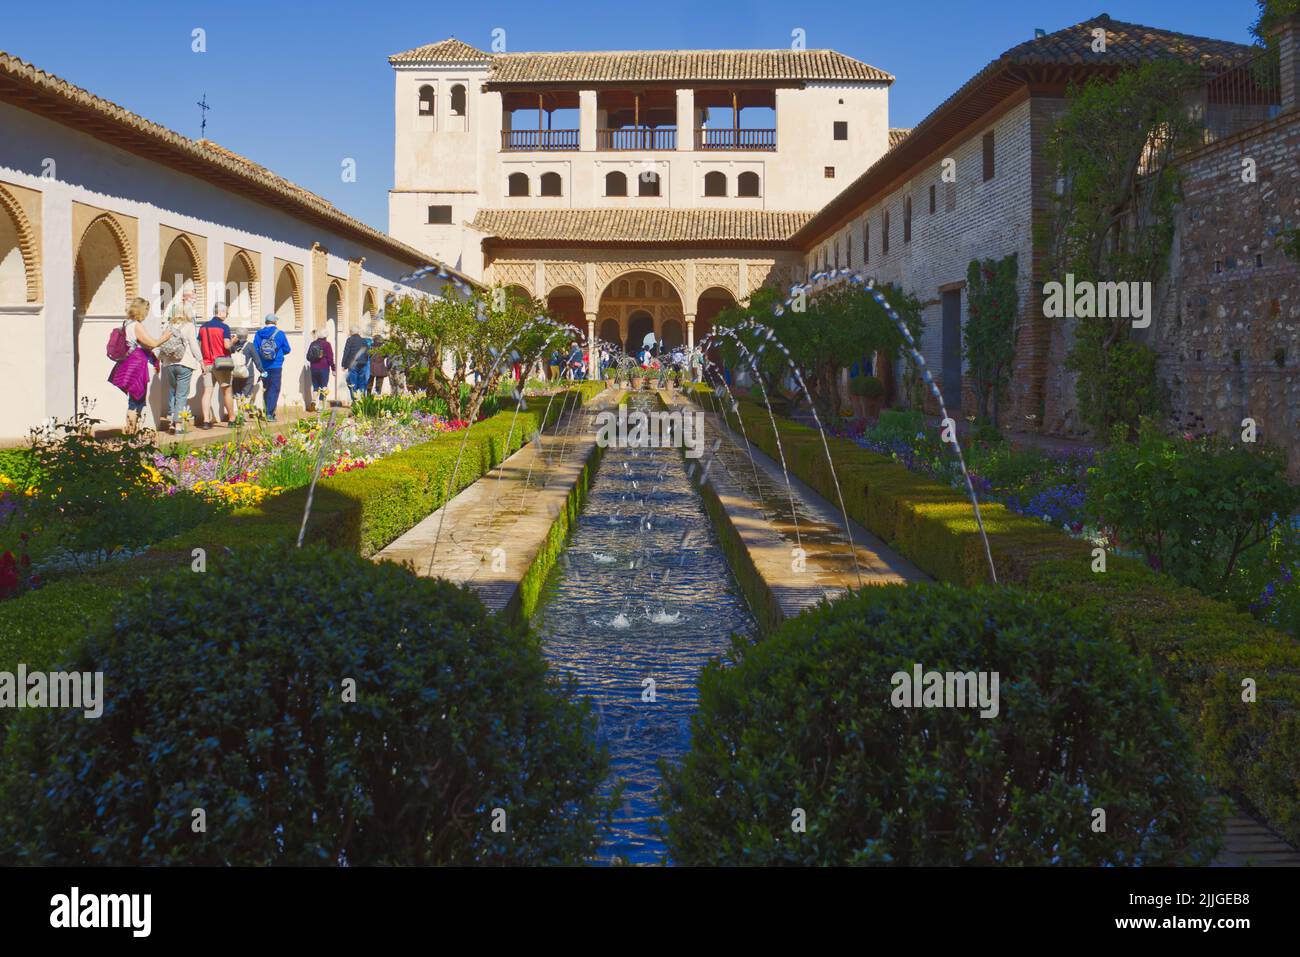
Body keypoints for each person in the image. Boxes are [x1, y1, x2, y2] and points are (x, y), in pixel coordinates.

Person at [109, 297, 171, 434]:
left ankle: (131, 431)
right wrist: (165, 337)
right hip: (136, 365)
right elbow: (152, 343)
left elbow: (140, 344)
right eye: (147, 310)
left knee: (133, 399)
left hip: (127, 363)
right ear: (142, 310)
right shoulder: (136, 325)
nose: (147, 313)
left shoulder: (127, 323)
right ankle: (132, 432)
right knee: (135, 401)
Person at [157, 299, 203, 434]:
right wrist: (201, 361)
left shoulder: (167, 326)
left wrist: (159, 359)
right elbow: (194, 345)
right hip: (185, 363)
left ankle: (171, 420)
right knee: (182, 394)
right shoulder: (188, 326)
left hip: (169, 363)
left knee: (172, 391)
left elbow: (162, 344)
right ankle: (178, 425)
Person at [198, 303, 235, 429]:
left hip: (207, 363)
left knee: (207, 392)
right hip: (222, 364)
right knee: (227, 391)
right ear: (221, 312)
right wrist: (234, 341)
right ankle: (232, 419)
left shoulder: (203, 327)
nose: (227, 315)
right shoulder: (224, 327)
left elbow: (200, 345)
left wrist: (202, 361)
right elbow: (226, 346)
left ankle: (206, 421)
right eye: (226, 313)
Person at [252, 313, 291, 421]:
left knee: (266, 388)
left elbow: (255, 349)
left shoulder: (259, 334)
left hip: (263, 367)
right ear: (275, 322)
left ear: (266, 322)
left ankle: (266, 411)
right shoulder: (280, 334)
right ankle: (269, 413)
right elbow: (287, 349)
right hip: (276, 365)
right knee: (274, 389)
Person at [306, 329, 334, 411]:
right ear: (326, 336)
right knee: (323, 386)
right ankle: (320, 406)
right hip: (324, 368)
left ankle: (313, 401)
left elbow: (308, 356)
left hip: (314, 368)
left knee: (315, 387)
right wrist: (333, 368)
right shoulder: (327, 344)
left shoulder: (313, 343)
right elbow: (330, 358)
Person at [341, 324, 370, 401]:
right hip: (363, 363)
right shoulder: (363, 340)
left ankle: (355, 400)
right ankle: (362, 399)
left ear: (351, 332)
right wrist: (365, 360)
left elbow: (346, 352)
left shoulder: (350, 340)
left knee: (353, 382)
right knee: (361, 382)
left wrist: (344, 364)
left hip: (353, 364)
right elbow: (367, 351)